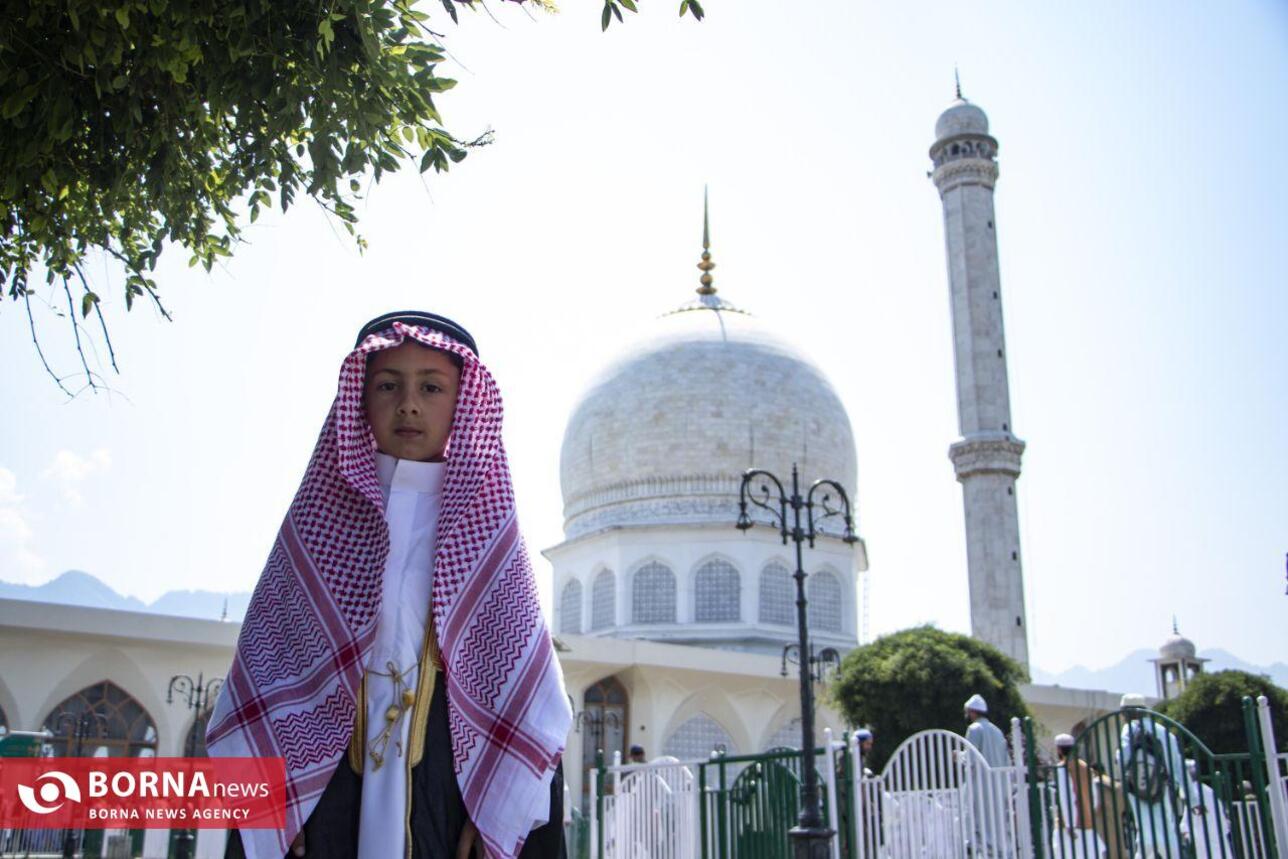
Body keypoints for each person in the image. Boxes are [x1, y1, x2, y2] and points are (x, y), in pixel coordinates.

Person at [206, 312, 572, 859]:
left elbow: (519, 689)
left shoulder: (486, 527)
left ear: (462, 402)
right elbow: (271, 668)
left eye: (431, 386)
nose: (409, 403)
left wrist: (496, 811)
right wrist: (274, 809)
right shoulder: (318, 522)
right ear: (359, 397)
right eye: (387, 385)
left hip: (449, 775)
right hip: (324, 779)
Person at [1117, 693, 1197, 859]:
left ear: (1126, 712)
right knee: (1167, 828)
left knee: (1145, 829)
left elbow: (1123, 758)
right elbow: (1178, 766)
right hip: (1163, 787)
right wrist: (1193, 798)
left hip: (1137, 788)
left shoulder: (1128, 730)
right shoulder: (1163, 732)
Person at [963, 694, 1013, 858]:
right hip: (999, 786)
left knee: (978, 822)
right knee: (997, 824)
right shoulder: (997, 731)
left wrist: (959, 757)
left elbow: (970, 758)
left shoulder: (974, 729)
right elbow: (1007, 761)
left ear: (971, 712)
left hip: (980, 786)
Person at [1050, 732, 1107, 859]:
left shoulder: (1063, 767)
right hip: (1087, 821)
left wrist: (1069, 824)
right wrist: (1090, 813)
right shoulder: (1084, 766)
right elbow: (1094, 794)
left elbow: (1066, 796)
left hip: (1069, 827)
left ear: (1058, 749)